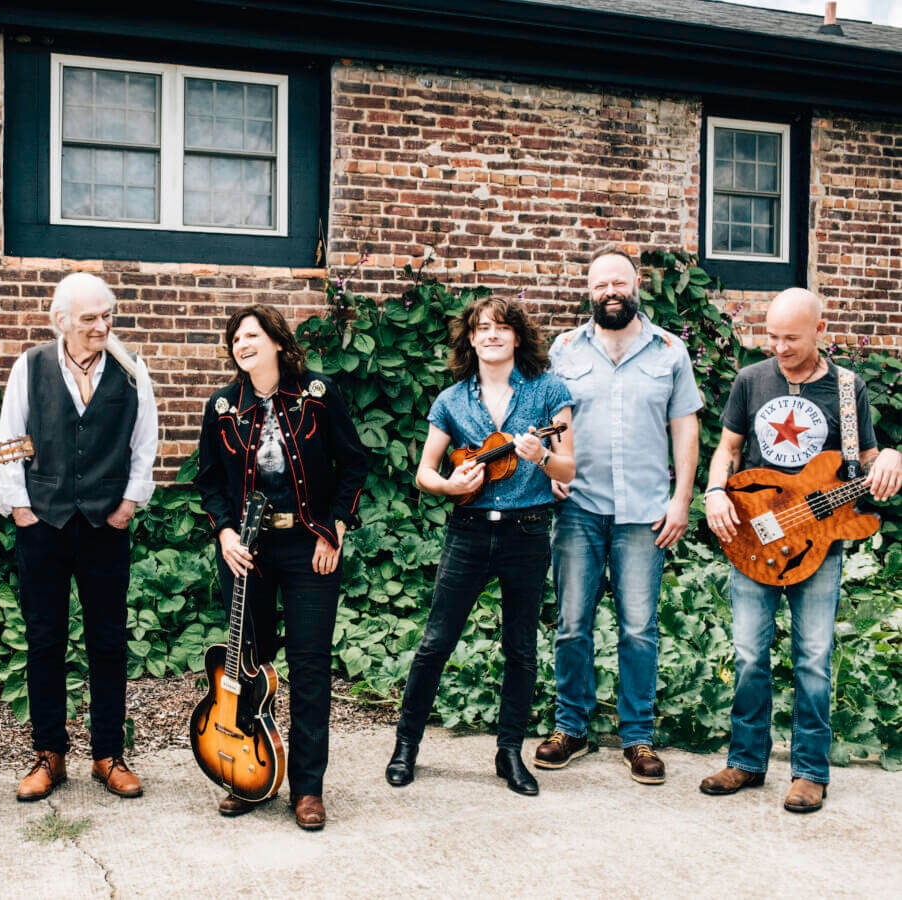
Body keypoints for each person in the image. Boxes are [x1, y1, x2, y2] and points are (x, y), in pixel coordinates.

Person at [701, 288, 902, 813]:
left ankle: (810, 770)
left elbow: (869, 462)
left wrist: (891, 460)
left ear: (819, 329)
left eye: (791, 337)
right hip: (754, 535)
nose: (780, 347)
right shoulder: (752, 379)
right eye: (772, 336)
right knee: (748, 655)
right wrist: (716, 490)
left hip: (818, 543)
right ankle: (746, 761)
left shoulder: (848, 387)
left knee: (813, 657)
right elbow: (727, 449)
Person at [385, 295, 575, 795]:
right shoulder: (451, 400)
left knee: (521, 648)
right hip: (468, 530)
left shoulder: (549, 390)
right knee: (434, 644)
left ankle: (509, 752)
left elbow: (569, 468)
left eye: (502, 327)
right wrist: (449, 485)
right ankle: (406, 746)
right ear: (470, 339)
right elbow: (426, 472)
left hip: (528, 530)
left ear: (517, 336)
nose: (491, 335)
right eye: (482, 328)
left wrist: (541, 458)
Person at [535, 245, 702, 785]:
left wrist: (682, 501)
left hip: (645, 513)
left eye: (620, 283)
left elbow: (686, 428)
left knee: (638, 630)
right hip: (579, 506)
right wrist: (550, 475)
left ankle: (638, 737)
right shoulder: (563, 351)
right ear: (590, 290)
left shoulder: (670, 352)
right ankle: (572, 728)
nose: (611, 291)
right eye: (602, 284)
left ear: (637, 288)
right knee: (571, 625)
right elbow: (546, 420)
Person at [197, 303, 368, 831]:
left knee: (311, 668)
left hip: (308, 545)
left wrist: (335, 527)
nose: (241, 344)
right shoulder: (223, 405)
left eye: (251, 335)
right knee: (247, 666)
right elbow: (208, 481)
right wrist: (225, 533)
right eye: (235, 339)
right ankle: (248, 779)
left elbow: (354, 463)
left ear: (276, 340)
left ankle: (308, 790)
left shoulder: (318, 395)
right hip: (245, 550)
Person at [0, 272, 158, 802]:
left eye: (107, 315)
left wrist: (130, 501)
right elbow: (9, 439)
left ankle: (108, 754)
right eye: (89, 318)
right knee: (45, 641)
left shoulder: (132, 369)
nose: (101, 326)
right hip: (43, 523)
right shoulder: (31, 365)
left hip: (105, 526)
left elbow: (145, 439)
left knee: (107, 642)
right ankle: (49, 754)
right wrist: (19, 507)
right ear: (61, 320)